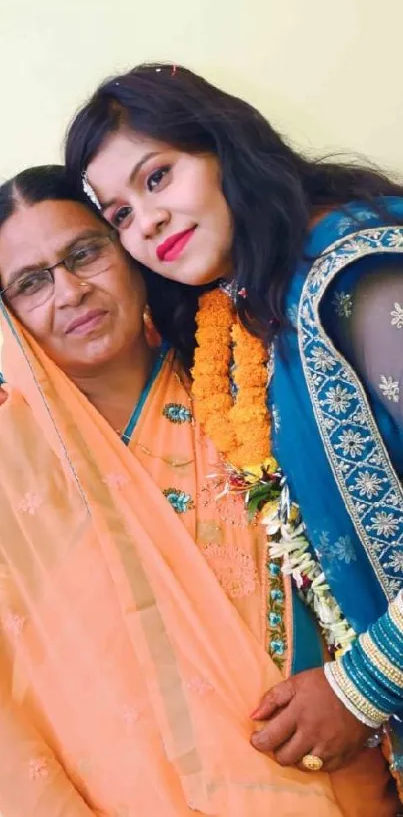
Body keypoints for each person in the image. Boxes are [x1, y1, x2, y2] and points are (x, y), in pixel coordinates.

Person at [0, 164, 395, 816]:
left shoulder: (255, 372)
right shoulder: (18, 475)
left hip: (346, 760)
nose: (69, 292)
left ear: (125, 254)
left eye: (83, 253)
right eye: (30, 283)